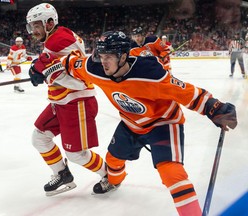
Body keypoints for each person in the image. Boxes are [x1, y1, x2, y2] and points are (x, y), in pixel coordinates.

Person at [28, 31, 237, 215]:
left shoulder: (150, 74)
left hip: (163, 123)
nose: (104, 62)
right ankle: (114, 182)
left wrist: (215, 108)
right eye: (101, 56)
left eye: (109, 57)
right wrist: (42, 70)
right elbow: (70, 62)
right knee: (112, 162)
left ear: (124, 56)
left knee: (171, 172)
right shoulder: (94, 67)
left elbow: (186, 92)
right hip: (131, 124)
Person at [26, 3, 107, 196]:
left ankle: (109, 175)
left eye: (37, 25)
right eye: (32, 26)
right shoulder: (57, 36)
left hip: (76, 102)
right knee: (39, 137)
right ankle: (62, 174)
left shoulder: (59, 39)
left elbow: (75, 77)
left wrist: (42, 71)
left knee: (76, 154)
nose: (34, 31)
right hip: (61, 100)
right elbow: (49, 63)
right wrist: (39, 69)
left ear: (49, 23)